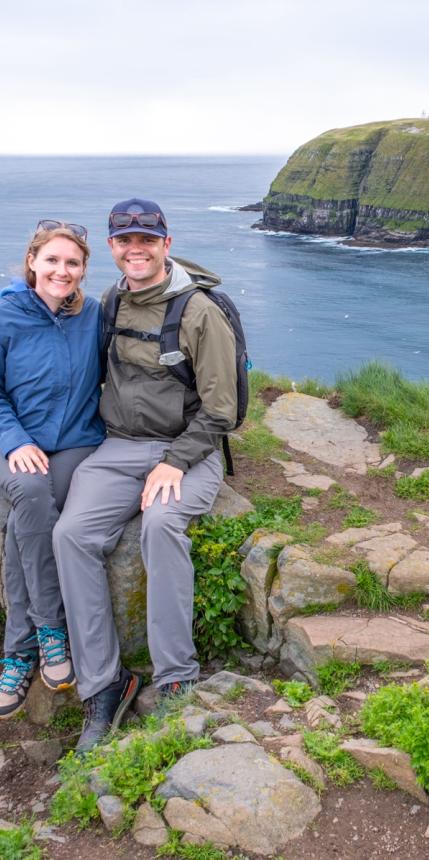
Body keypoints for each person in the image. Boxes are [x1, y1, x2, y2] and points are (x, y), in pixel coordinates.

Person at [53, 198, 237, 753]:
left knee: (160, 524)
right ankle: (106, 683)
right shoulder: (110, 301)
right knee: (71, 535)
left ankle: (176, 674)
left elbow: (221, 409)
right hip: (118, 448)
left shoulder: (199, 311)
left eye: (147, 240)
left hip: (187, 450)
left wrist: (173, 462)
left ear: (166, 245)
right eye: (125, 241)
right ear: (112, 248)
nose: (137, 249)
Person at [0, 222, 105, 719]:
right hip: (16, 442)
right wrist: (14, 439)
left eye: (73, 263)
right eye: (53, 261)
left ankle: (17, 654)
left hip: (76, 444)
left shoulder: (94, 316)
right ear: (32, 262)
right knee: (30, 495)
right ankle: (46, 631)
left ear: (83, 270)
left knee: (30, 517)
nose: (62, 271)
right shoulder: (5, 314)